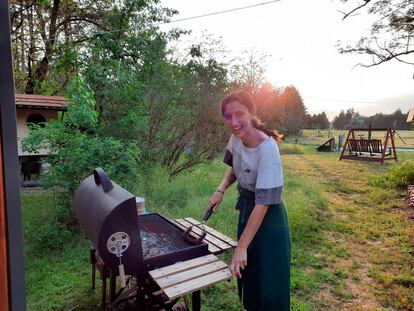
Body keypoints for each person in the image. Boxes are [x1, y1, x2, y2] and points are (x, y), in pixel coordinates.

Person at [208, 90, 291, 311]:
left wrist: (241, 245)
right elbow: (234, 168)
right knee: (249, 271)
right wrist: (221, 189)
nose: (234, 122)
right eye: (228, 116)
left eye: (239, 114)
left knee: (269, 279)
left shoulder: (267, 149)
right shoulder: (236, 137)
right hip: (247, 211)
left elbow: (263, 203)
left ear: (251, 112)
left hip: (269, 219)